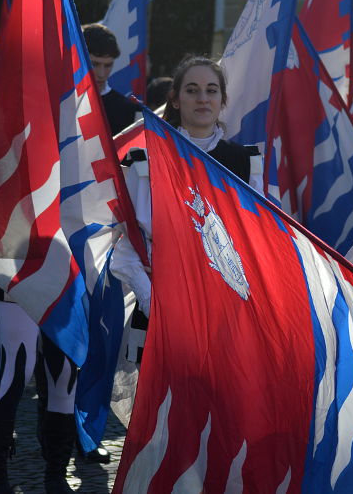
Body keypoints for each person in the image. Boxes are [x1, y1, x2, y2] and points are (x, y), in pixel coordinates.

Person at [110, 55, 262, 363]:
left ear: (222, 100)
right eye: (192, 90)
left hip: (226, 313)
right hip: (162, 310)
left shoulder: (245, 164)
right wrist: (157, 305)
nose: (202, 98)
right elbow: (126, 249)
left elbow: (258, 242)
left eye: (211, 90)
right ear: (176, 101)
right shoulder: (146, 162)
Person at [0, 295, 77, 493]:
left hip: (64, 281)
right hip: (16, 279)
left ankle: (56, 475)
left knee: (64, 376)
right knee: (14, 370)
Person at [82, 23, 140, 135]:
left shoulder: (129, 111)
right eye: (94, 64)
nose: (101, 74)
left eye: (108, 65)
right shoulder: (61, 103)